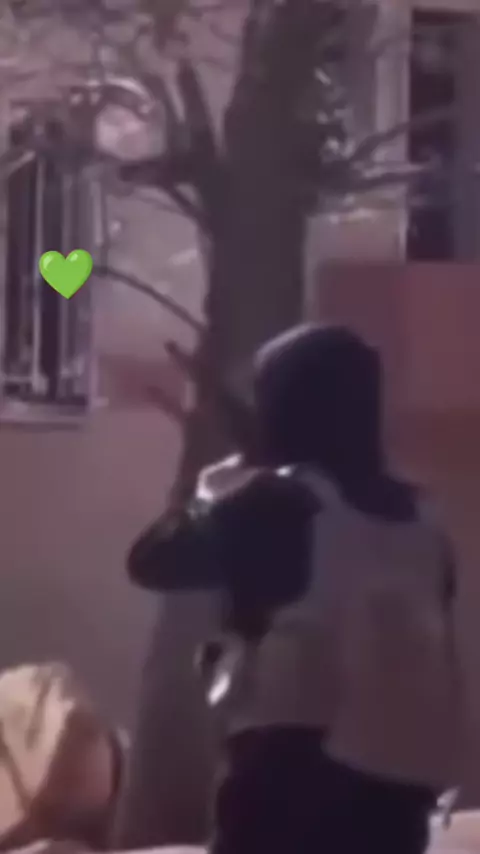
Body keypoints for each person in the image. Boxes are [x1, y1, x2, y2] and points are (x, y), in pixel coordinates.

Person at [127, 323, 465, 854]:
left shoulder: (278, 504)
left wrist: (219, 483)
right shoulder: (423, 522)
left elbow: (151, 562)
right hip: (399, 804)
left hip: (287, 786)